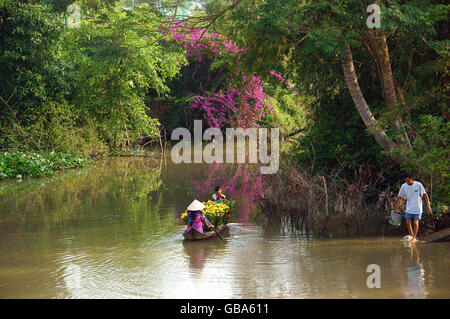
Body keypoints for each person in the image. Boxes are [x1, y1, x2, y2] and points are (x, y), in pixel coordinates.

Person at [394, 173, 432, 243]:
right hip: (409, 208)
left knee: (415, 223)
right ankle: (412, 236)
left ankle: (414, 237)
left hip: (418, 208)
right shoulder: (404, 186)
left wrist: (428, 206)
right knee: (408, 222)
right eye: (406, 181)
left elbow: (425, 195)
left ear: (412, 179)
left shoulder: (418, 185)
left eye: (408, 180)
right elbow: (400, 198)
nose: (407, 182)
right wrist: (396, 208)